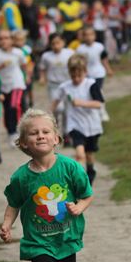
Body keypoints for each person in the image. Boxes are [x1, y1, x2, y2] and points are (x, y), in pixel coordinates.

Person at [0, 108, 93, 262]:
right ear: (24, 142)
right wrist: (7, 224)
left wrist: (79, 207)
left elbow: (87, 194)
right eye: (34, 133)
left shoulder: (70, 168)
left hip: (66, 238)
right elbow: (14, 203)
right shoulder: (21, 177)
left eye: (45, 131)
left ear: (56, 138)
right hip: (38, 242)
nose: (40, 136)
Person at [52, 54, 104, 186]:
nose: (76, 78)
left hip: (92, 125)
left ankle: (90, 172)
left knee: (89, 154)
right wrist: (50, 116)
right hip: (75, 125)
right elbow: (55, 101)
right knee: (80, 155)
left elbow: (99, 104)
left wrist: (82, 103)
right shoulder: (65, 87)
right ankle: (80, 181)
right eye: (73, 75)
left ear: (85, 72)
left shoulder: (91, 85)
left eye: (79, 76)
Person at [0, 29, 27, 147]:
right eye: (1, 39)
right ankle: (11, 133)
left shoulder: (18, 52)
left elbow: (24, 64)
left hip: (17, 84)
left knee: (15, 106)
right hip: (3, 86)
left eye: (6, 38)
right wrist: (0, 66)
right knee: (7, 109)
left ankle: (18, 132)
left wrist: (27, 76)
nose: (4, 41)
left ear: (12, 40)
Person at [39, 33, 74, 145]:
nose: (56, 46)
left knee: (67, 110)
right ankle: (56, 131)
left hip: (68, 85)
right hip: (54, 86)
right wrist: (42, 78)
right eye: (53, 43)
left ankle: (66, 134)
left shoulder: (70, 53)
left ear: (63, 42)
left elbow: (75, 66)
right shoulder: (46, 56)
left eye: (58, 43)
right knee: (58, 109)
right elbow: (42, 68)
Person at [76, 26, 113, 122]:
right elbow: (79, 62)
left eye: (91, 35)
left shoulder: (99, 47)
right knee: (90, 94)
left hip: (98, 73)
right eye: (86, 35)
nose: (89, 37)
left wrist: (108, 69)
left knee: (98, 91)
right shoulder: (80, 49)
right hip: (87, 75)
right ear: (83, 37)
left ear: (94, 36)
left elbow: (104, 59)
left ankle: (102, 111)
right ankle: (93, 113)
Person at [12, 30, 35, 108]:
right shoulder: (13, 50)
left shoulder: (27, 49)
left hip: (27, 71)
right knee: (23, 90)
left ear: (25, 40)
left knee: (29, 87)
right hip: (18, 73)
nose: (19, 42)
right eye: (16, 40)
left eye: (21, 40)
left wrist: (30, 72)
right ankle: (22, 103)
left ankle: (31, 101)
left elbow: (32, 61)